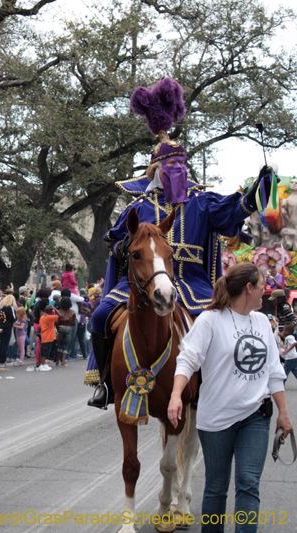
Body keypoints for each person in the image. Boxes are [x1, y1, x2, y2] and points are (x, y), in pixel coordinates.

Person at [87, 78, 269, 409]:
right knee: (99, 316)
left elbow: (234, 210)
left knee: (213, 322)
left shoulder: (202, 202)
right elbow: (114, 238)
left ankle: (212, 385)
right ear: (156, 169)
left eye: (182, 166)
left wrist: (258, 187)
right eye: (171, 166)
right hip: (144, 283)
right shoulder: (139, 205)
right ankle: (104, 384)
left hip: (194, 282)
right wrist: (120, 247)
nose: (178, 172)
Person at [167, 263, 292, 532]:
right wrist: (176, 394)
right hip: (216, 419)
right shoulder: (210, 320)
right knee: (216, 487)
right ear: (249, 288)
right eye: (261, 287)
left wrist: (283, 412)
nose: (265, 292)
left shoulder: (262, 322)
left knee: (248, 484)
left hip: (256, 417)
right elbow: (188, 359)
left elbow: (273, 371)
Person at [0, 294, 16, 368]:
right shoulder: (9, 308)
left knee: (1, 344)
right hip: (7, 327)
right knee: (5, 344)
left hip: (1, 326)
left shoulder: (1, 307)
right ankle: (2, 360)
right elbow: (13, 318)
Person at [37, 306, 58, 371]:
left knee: (43, 350)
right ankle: (42, 365)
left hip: (43, 335)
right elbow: (59, 315)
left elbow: (40, 326)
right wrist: (55, 309)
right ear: (51, 311)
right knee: (45, 352)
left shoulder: (42, 317)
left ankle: (42, 364)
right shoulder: (50, 317)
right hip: (49, 336)